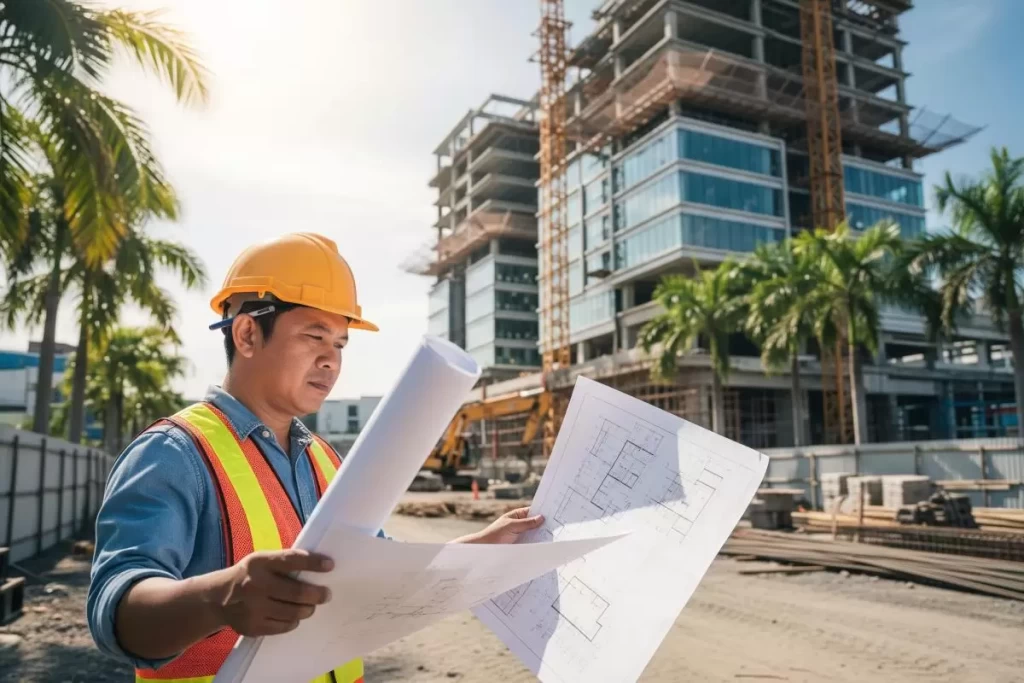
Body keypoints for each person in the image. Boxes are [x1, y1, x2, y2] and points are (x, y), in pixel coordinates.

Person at [87, 232, 544, 683]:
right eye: (314, 336)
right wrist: (220, 598)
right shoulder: (175, 454)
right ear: (247, 333)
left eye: (340, 344)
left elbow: (385, 574)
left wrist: (482, 548)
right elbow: (115, 612)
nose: (331, 360)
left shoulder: (328, 461)